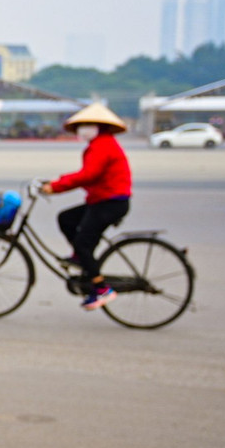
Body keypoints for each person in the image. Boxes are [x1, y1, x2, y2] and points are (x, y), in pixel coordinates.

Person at [39, 102, 131, 311]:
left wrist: (56, 186)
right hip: (101, 200)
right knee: (66, 219)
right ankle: (82, 259)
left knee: (83, 243)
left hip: (111, 202)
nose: (84, 129)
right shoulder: (98, 145)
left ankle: (101, 289)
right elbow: (86, 174)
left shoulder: (103, 146)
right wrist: (57, 181)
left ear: (100, 126)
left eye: (89, 124)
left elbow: (88, 175)